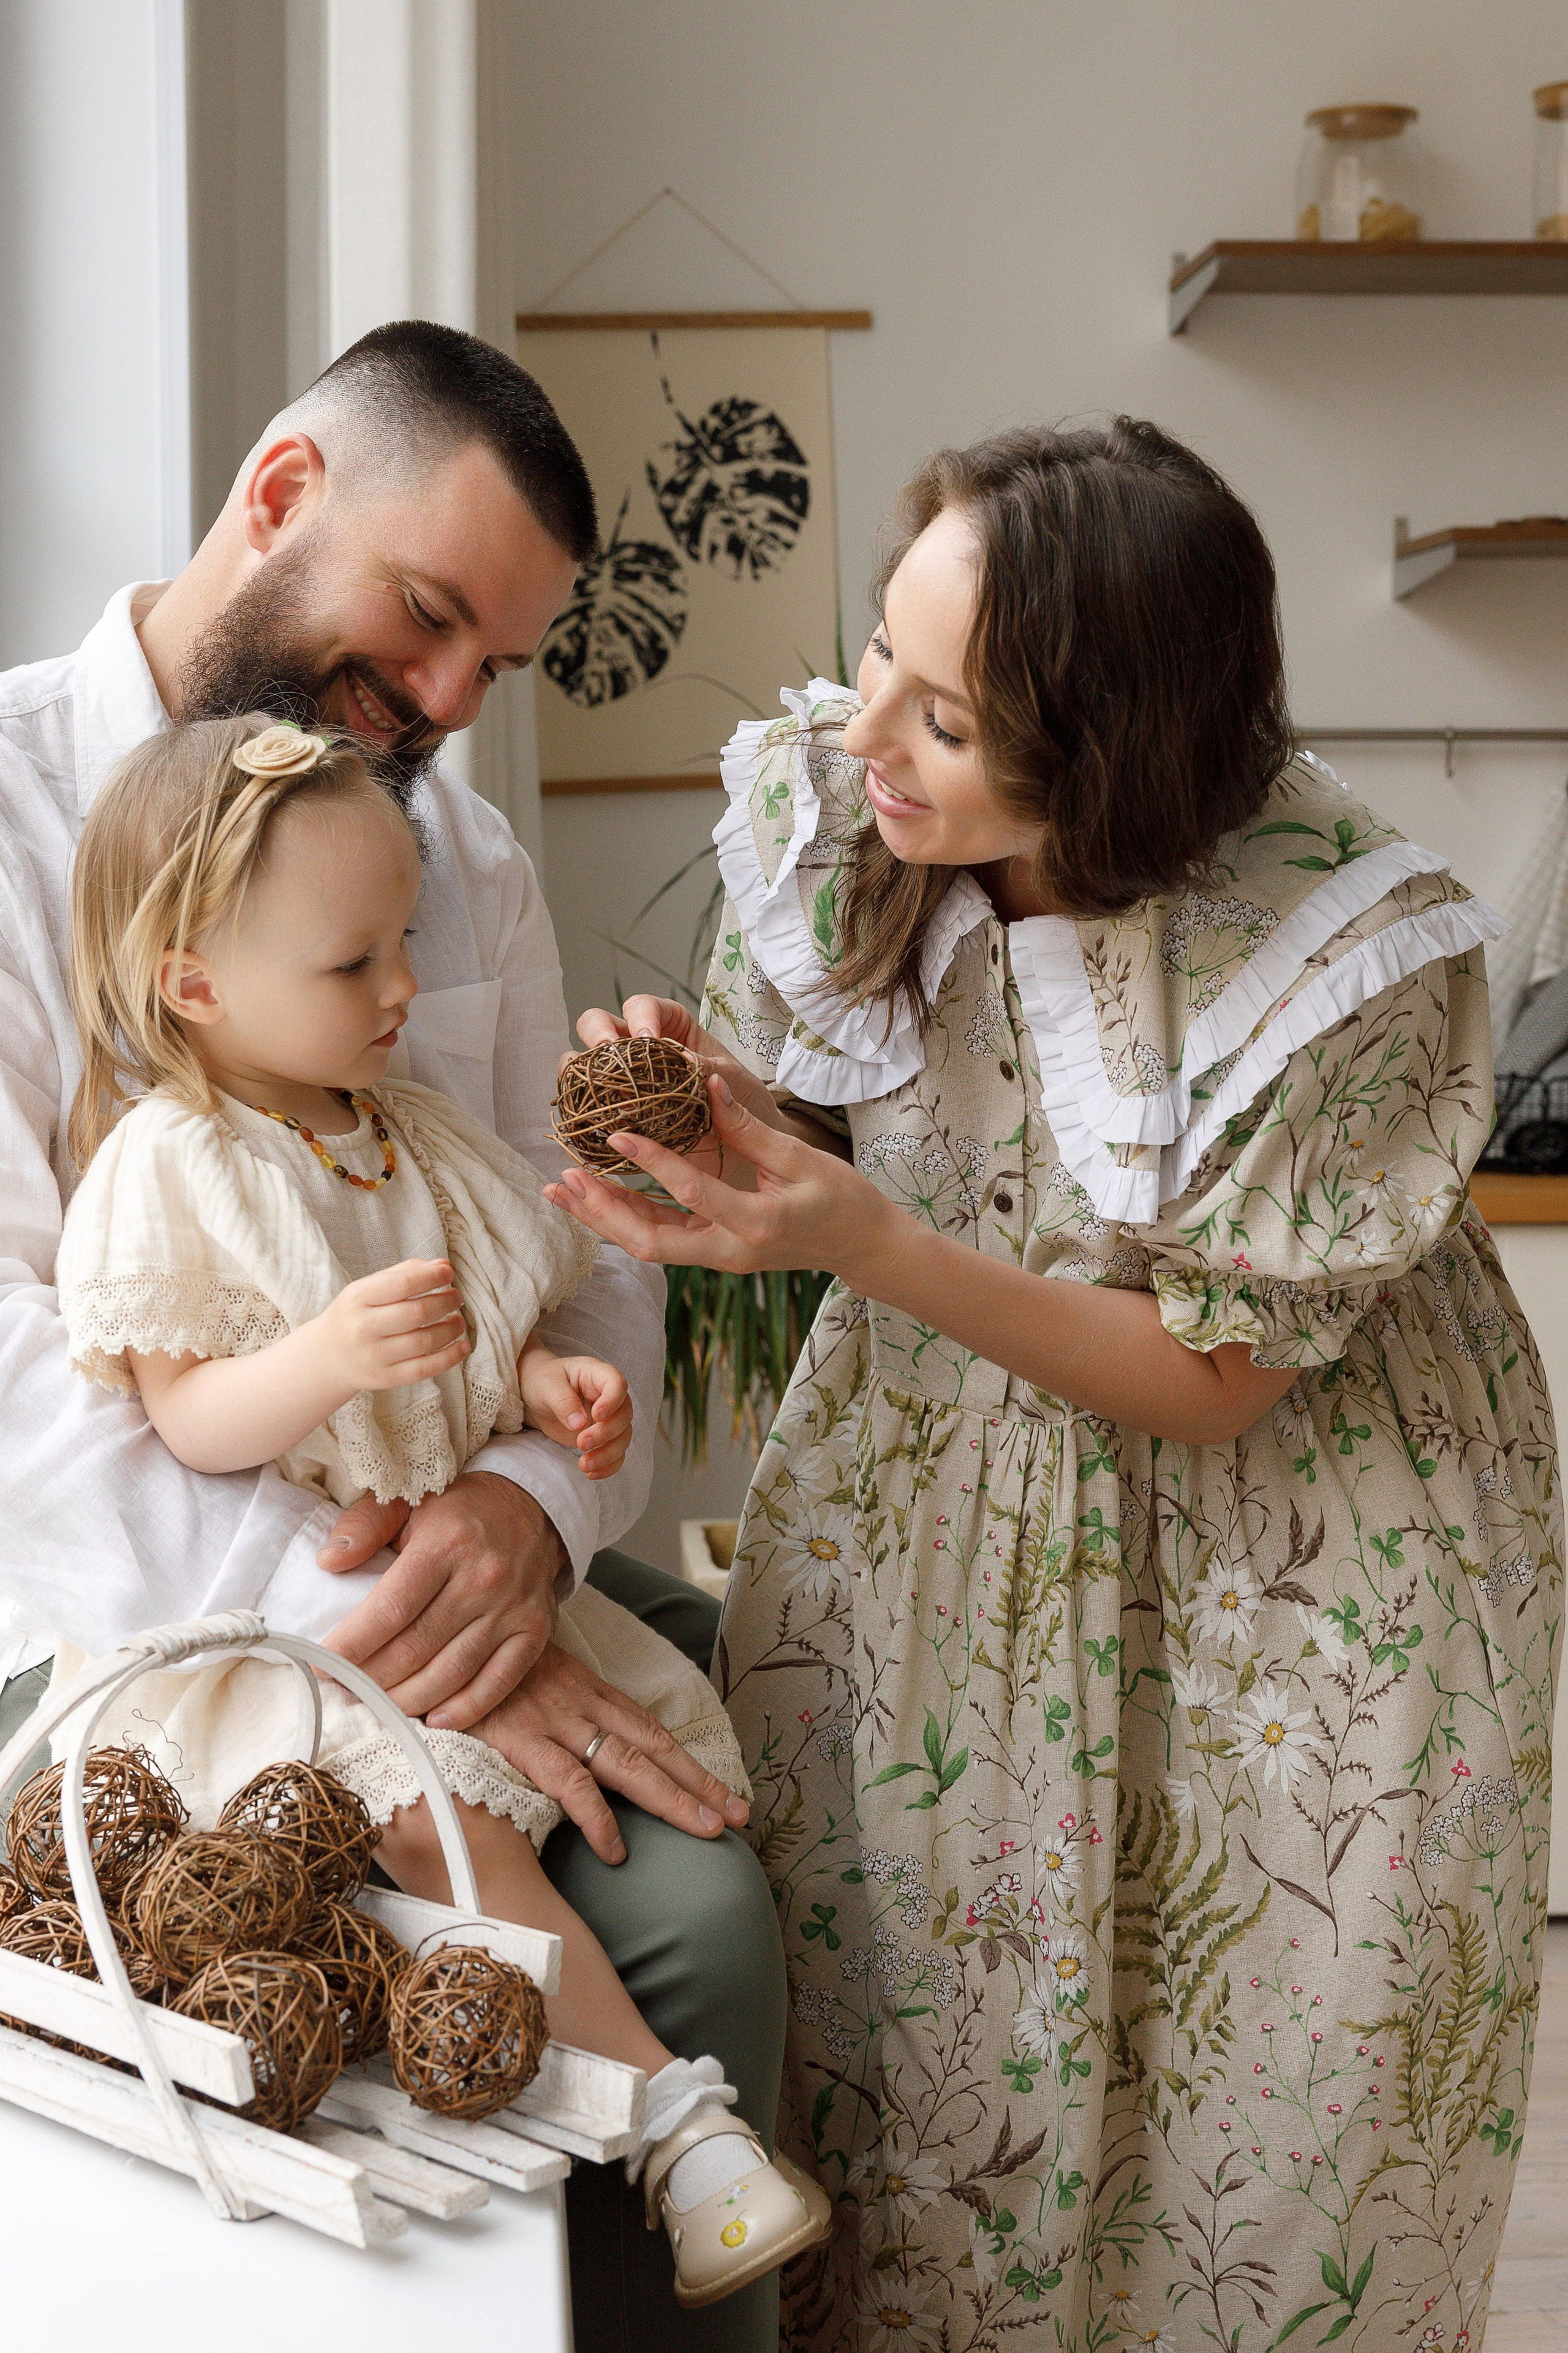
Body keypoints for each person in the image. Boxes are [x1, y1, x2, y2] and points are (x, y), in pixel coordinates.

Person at [548, 421, 1560, 2351]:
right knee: (911, 2064)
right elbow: (893, 1125)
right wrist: (723, 1114)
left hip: (1295, 1578)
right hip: (935, 1513)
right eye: (880, 656)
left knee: (1256, 2114)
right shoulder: (858, 816)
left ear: (1113, 755)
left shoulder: (1342, 950)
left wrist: (858, 1240)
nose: (871, 740)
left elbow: (1211, 1378)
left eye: (951, 717)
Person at [0, 320, 785, 2353]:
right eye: (425, 618)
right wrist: (387, 1636)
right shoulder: (4, 825)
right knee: (689, 1923)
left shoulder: (463, 866)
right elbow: (29, 1399)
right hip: (118, 1618)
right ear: (278, 497)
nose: (443, 705)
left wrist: (527, 1512)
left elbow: (577, 1263)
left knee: (808, 1734)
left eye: (489, 669)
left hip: (449, 1542)